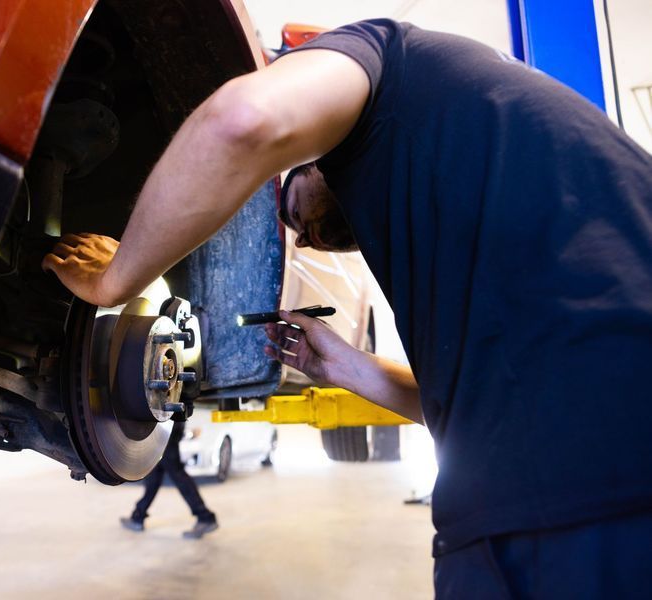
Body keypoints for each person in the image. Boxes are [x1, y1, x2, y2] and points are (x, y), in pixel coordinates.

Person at [44, 19, 652, 597]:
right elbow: (468, 403)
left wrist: (117, 280)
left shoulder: (385, 53)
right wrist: (347, 368)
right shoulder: (501, 164)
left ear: (315, 146)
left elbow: (241, 117)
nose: (301, 239)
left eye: (288, 214)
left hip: (561, 514)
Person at [120, 419, 218, 539]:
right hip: (167, 425)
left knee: (177, 474)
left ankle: (205, 517)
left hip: (167, 426)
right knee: (154, 475)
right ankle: (138, 517)